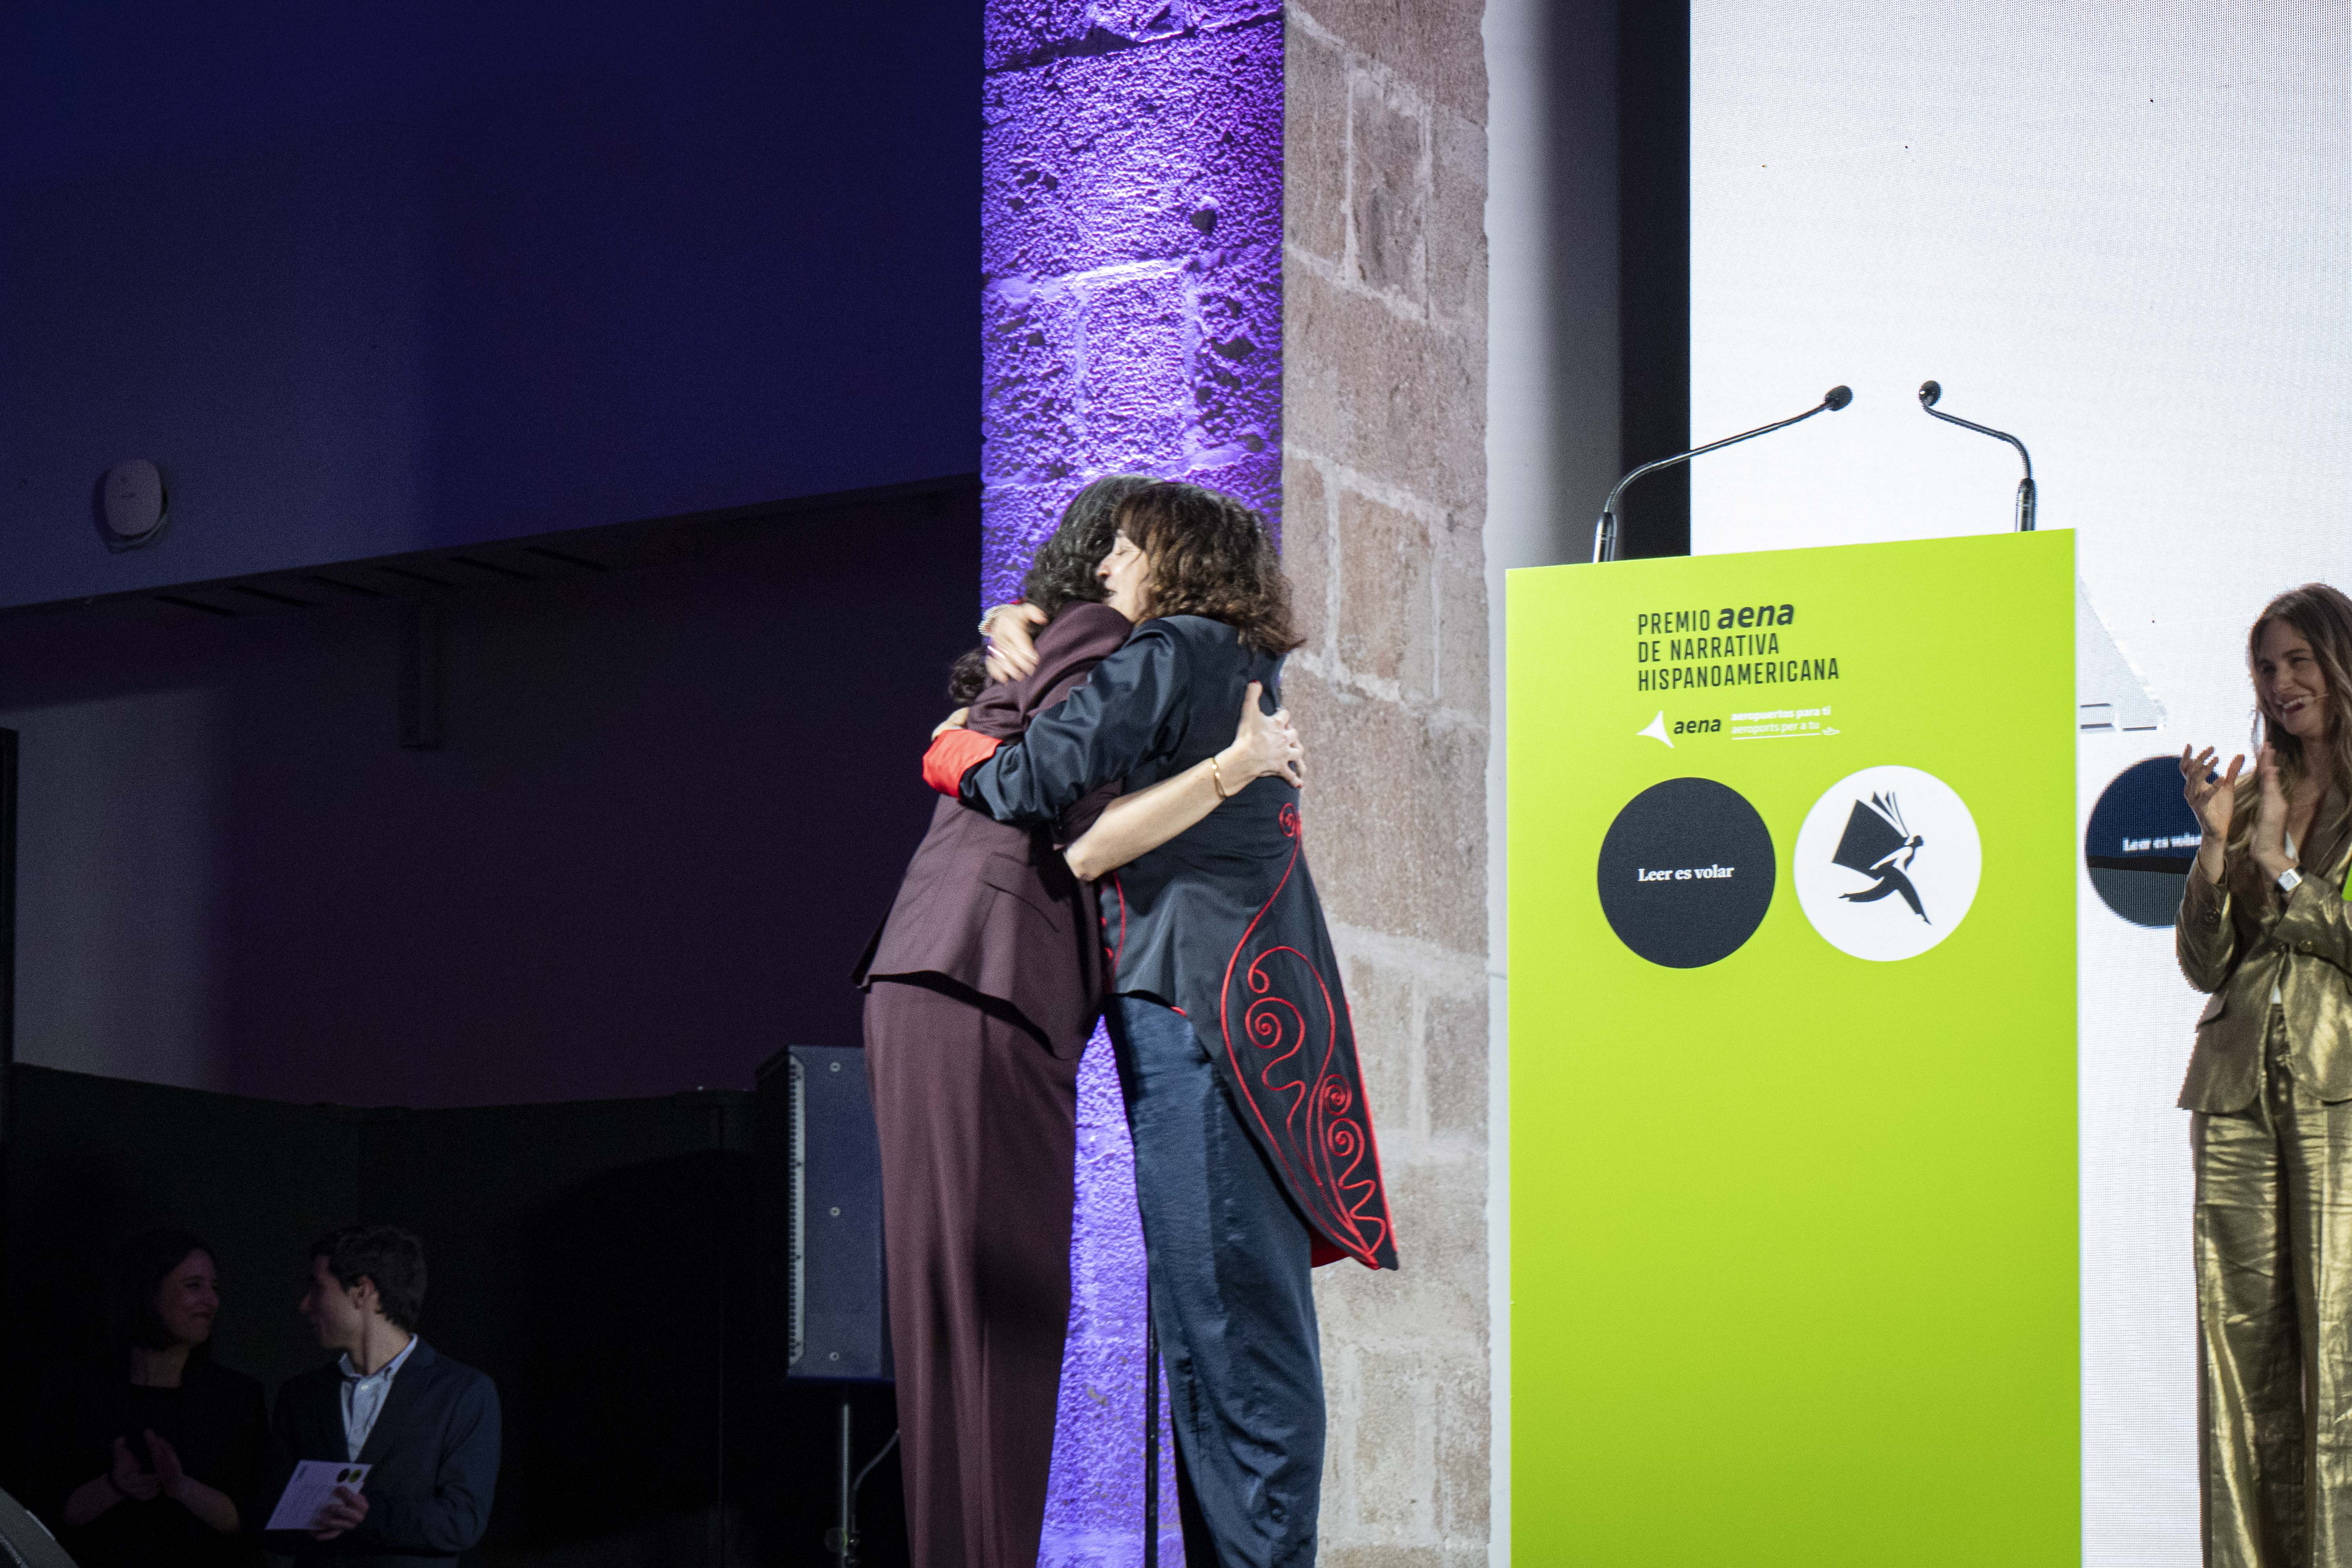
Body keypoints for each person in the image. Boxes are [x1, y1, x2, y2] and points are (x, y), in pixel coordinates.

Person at [925, 480, 1396, 1568]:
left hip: (1202, 1011)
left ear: (1175, 560)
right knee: (1226, 1330)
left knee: (1228, 1329)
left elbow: (1036, 780)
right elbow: (1105, 830)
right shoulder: (1236, 661)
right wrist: (1011, 625)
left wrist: (947, 746)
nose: (1107, 569)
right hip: (1242, 1009)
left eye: (1127, 551)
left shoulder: (1177, 645)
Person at [854, 474, 1303, 1568]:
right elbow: (1063, 814)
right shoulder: (1110, 638)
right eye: (1106, 548)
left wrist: (965, 717)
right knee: (991, 1316)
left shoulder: (1111, 645)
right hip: (986, 972)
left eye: (1128, 548)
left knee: (969, 1312)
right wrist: (1231, 767)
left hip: (961, 975)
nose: (1111, 565)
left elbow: (1000, 748)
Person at [2176, 581, 2352, 1567]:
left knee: (2338, 1353)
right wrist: (2219, 843)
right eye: (2267, 666)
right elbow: (2206, 964)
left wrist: (2283, 866)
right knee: (2238, 1362)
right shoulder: (2247, 799)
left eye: (2300, 660)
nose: (2282, 683)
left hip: (2341, 1092)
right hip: (2235, 1092)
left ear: (2340, 662)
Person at [260, 1225, 499, 1565]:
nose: (304, 1305)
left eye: (317, 1287)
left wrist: (367, 1516)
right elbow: (269, 1519)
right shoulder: (301, 1396)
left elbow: (463, 1521)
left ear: (362, 1291)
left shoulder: (462, 1392)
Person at [53, 1229, 267, 1567]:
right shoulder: (82, 1392)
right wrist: (115, 1485)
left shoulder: (237, 1398)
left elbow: (251, 1517)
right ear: (148, 1292)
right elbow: (50, 1512)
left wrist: (182, 1488)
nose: (212, 1301)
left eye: (214, 1287)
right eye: (193, 1286)